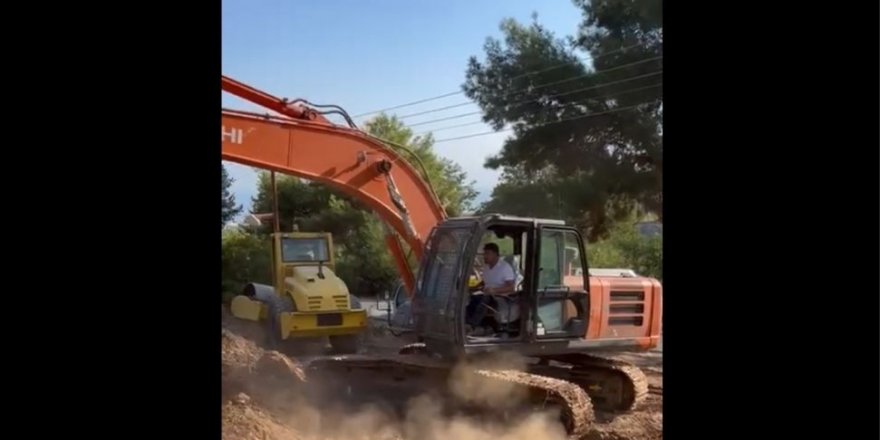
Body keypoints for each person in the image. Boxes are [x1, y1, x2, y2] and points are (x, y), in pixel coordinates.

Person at [465, 242, 517, 335]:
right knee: (471, 298)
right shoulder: (486, 267)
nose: (485, 256)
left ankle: (473, 325)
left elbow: (511, 287)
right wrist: (472, 288)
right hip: (487, 293)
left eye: (487, 253)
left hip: (501, 297)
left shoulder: (504, 267)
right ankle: (468, 323)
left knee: (484, 299)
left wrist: (494, 290)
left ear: (495, 254)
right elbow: (485, 282)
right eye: (484, 254)